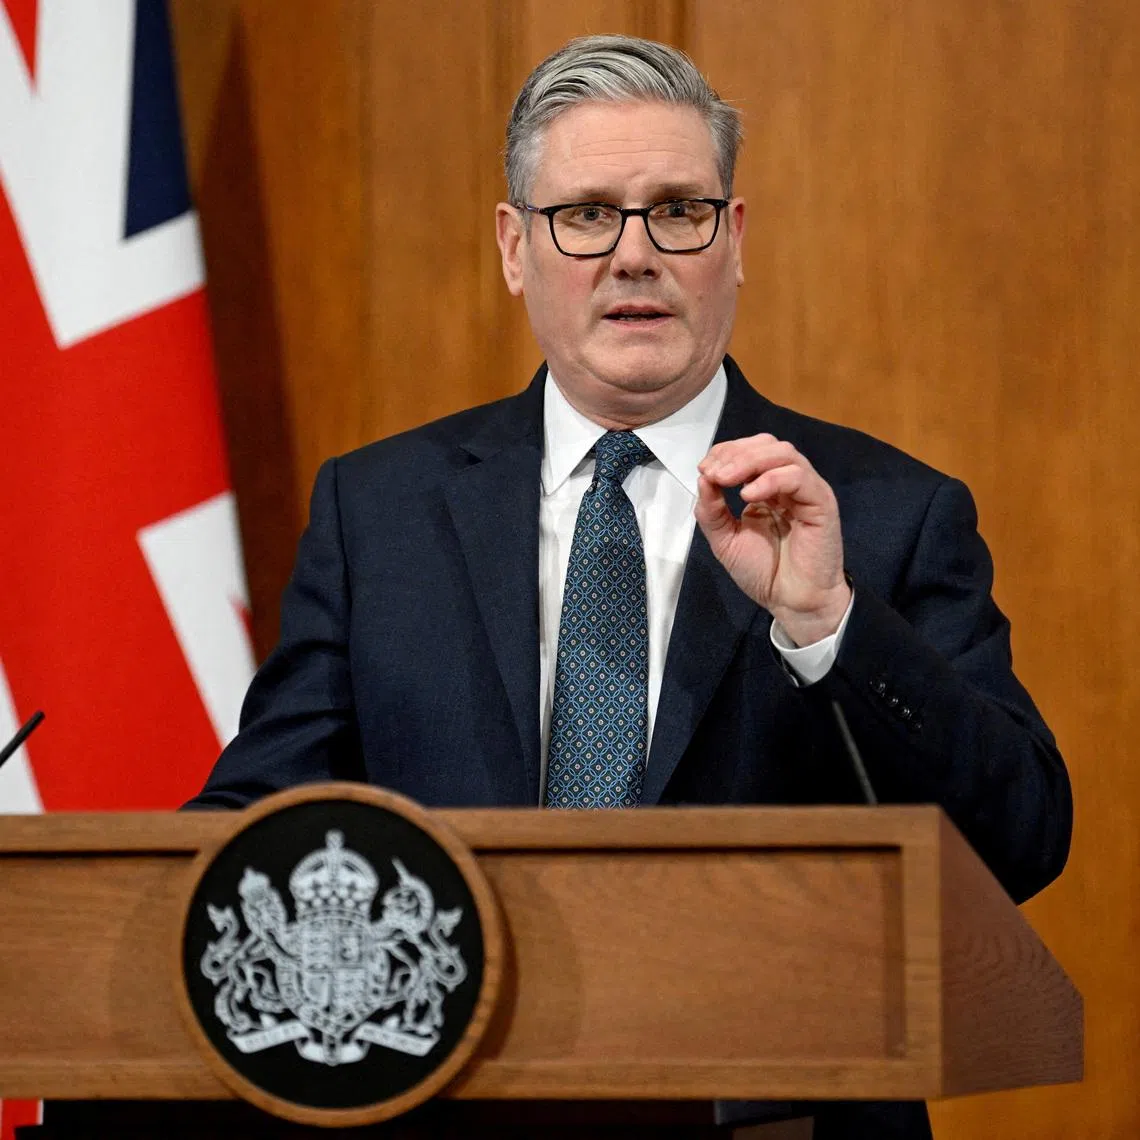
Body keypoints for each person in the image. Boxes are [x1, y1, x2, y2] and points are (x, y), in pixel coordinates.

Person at [190, 35, 1072, 1139]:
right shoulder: (381, 515)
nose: (635, 254)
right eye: (588, 213)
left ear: (734, 240)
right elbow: (257, 817)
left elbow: (1023, 840)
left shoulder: (887, 513)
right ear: (516, 247)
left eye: (679, 212)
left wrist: (828, 622)